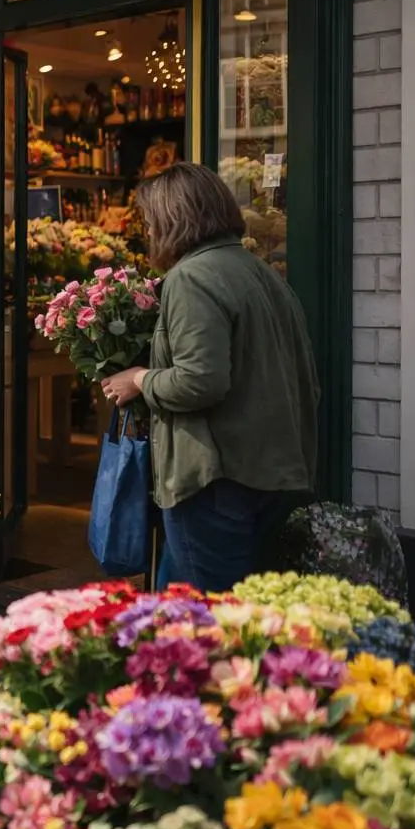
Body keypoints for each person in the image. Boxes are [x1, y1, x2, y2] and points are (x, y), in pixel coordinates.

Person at [100, 162, 318, 593]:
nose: (146, 231)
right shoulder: (263, 275)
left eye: (149, 221)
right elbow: (304, 380)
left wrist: (141, 379)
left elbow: (199, 382)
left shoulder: (192, 278)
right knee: (189, 615)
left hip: (214, 483)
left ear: (172, 219)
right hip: (270, 475)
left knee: (211, 626)